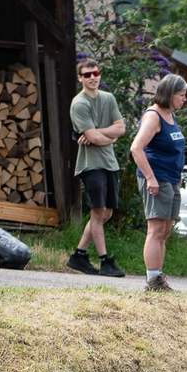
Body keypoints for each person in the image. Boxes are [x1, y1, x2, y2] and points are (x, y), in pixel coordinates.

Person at [66, 58, 126, 278]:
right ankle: (105, 261)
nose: (93, 77)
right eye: (87, 74)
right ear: (80, 78)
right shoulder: (79, 104)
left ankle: (79, 255)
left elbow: (121, 128)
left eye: (95, 73)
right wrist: (106, 136)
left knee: (106, 213)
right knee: (98, 212)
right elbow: (93, 138)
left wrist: (98, 132)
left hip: (109, 162)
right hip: (90, 165)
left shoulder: (108, 98)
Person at [129, 74, 187, 293]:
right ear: (170, 94)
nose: (184, 99)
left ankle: (158, 278)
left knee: (165, 230)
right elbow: (136, 148)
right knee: (155, 229)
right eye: (181, 95)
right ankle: (152, 280)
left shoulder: (170, 115)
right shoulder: (153, 116)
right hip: (157, 178)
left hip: (171, 179)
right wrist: (150, 178)